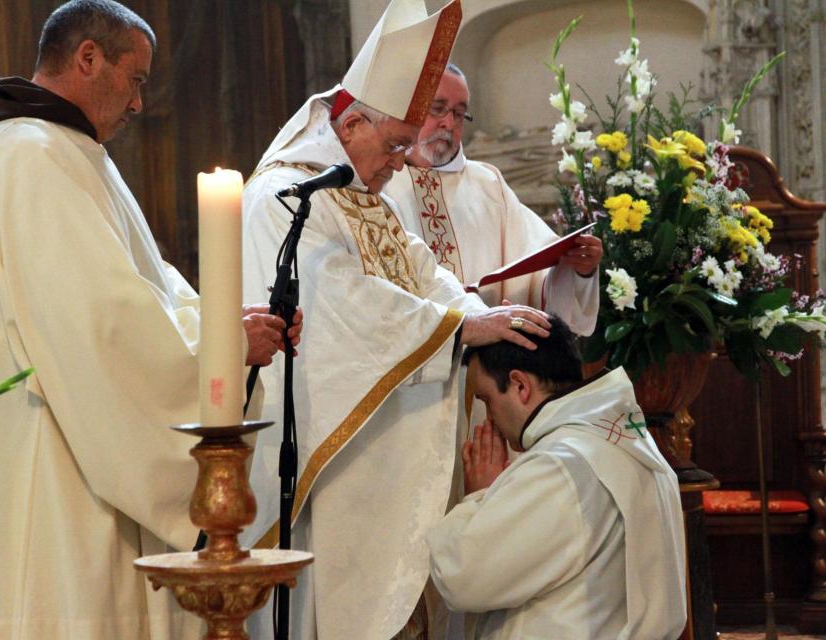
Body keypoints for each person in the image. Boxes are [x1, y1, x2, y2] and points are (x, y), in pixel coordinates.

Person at [0, 1, 299, 638]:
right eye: (137, 79)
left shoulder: (55, 147)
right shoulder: (29, 154)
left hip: (62, 438)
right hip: (60, 457)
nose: (140, 104)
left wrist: (224, 326)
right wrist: (224, 346)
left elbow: (141, 292)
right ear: (87, 58)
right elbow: (102, 328)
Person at [240, 1, 551, 638]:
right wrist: (460, 331)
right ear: (351, 123)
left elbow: (423, 272)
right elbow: (335, 302)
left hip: (382, 442)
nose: (405, 163)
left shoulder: (361, 191)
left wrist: (478, 312)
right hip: (328, 448)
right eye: (395, 145)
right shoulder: (283, 196)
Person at [427, 317, 688, 639]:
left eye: (486, 400)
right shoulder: (631, 444)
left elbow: (463, 579)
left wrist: (479, 497)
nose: (489, 418)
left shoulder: (560, 465)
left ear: (520, 385)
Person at [383, 64, 602, 334]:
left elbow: (539, 270)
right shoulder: (380, 181)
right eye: (437, 108)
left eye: (460, 113)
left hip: (489, 364)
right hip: (417, 357)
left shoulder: (488, 184)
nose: (449, 123)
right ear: (409, 108)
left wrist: (579, 269)